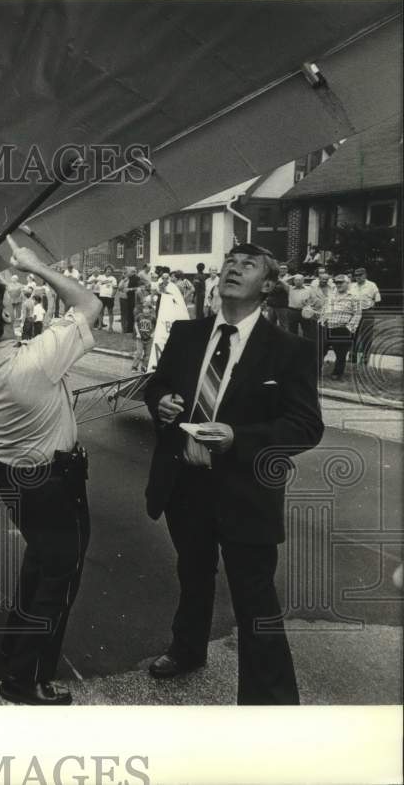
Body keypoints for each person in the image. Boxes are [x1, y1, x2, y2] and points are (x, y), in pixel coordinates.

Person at [143, 242, 323, 705]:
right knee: (193, 574)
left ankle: (269, 704)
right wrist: (159, 402)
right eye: (229, 262)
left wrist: (238, 438)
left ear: (267, 285)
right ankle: (187, 650)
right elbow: (159, 383)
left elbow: (305, 426)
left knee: (255, 598)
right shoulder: (186, 333)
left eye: (248, 264)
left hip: (246, 492)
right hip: (185, 483)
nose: (233, 269)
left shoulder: (290, 350)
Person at [0, 240, 102, 705]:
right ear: (7, 314)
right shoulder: (35, 361)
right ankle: (25, 680)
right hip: (55, 483)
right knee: (58, 580)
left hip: (16, 481)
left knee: (39, 568)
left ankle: (15, 653)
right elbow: (89, 303)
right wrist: (35, 265)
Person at [320, 274, 361, 379]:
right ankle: (315, 371)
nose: (338, 285)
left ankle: (337, 374)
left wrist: (349, 328)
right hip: (327, 327)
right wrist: (321, 320)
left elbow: (357, 314)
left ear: (348, 283)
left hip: (342, 328)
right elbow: (325, 309)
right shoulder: (331, 295)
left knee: (340, 354)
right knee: (320, 351)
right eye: (336, 282)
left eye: (341, 282)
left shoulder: (354, 297)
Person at [287, 274, 325, 361]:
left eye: (300, 280)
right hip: (292, 311)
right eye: (296, 280)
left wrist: (311, 306)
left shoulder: (309, 289)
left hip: (305, 311)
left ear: (303, 280)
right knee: (292, 331)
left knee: (307, 331)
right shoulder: (289, 288)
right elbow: (280, 281)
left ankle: (306, 350)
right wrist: (292, 276)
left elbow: (316, 300)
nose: (298, 281)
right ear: (293, 281)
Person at [348, 267, 381, 366]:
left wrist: (370, 308)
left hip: (367, 312)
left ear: (365, 275)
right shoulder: (352, 286)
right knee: (352, 334)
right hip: (353, 313)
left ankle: (365, 358)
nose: (357, 277)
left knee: (366, 336)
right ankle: (352, 357)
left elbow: (378, 299)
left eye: (360, 275)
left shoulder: (372, 285)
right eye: (356, 275)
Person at [132, 293, 156, 372]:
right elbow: (136, 324)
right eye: (144, 309)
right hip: (140, 338)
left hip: (149, 338)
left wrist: (153, 333)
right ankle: (134, 367)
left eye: (147, 309)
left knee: (147, 355)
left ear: (150, 310)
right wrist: (138, 333)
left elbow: (156, 325)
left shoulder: (152, 318)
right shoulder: (139, 316)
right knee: (139, 353)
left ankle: (144, 367)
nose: (145, 310)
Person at [96, 265, 117, 331]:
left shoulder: (113, 278)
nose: (109, 271)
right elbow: (97, 285)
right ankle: (100, 325)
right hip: (102, 296)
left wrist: (112, 295)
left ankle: (110, 327)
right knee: (101, 311)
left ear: (112, 271)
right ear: (105, 270)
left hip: (109, 297)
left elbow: (115, 288)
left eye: (110, 270)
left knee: (110, 311)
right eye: (108, 269)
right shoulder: (101, 277)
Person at [119, 266, 139, 335]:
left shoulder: (137, 278)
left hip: (134, 298)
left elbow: (139, 287)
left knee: (133, 314)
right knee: (129, 314)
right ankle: (129, 330)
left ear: (132, 272)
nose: (127, 273)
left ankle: (133, 330)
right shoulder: (128, 278)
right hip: (128, 298)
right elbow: (120, 288)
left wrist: (130, 289)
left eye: (128, 272)